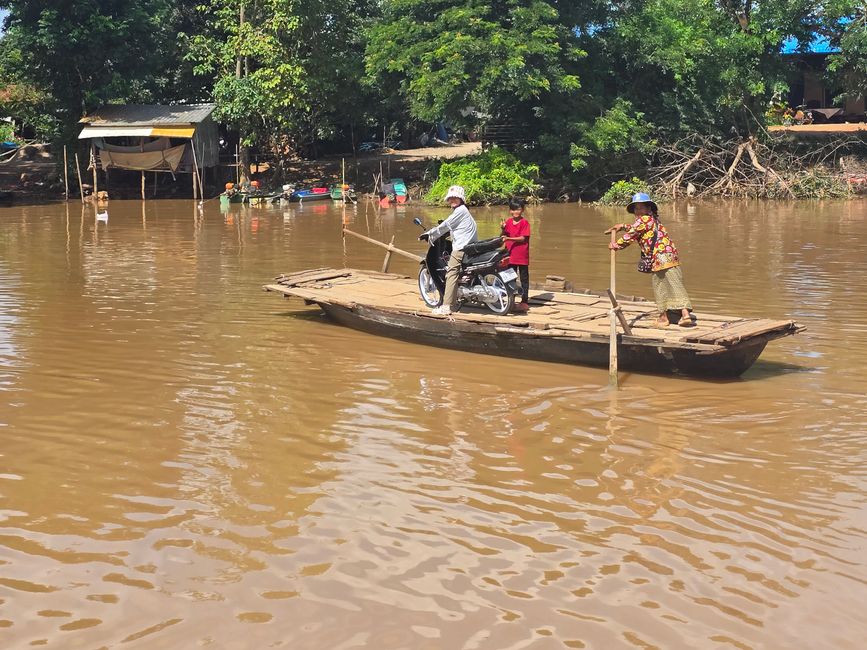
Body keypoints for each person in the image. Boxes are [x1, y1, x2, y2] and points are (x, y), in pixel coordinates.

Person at [607, 192, 696, 328]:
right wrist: (623, 226)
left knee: (660, 286)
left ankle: (663, 318)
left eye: (641, 208)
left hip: (659, 257)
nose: (638, 211)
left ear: (648, 209)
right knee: (675, 284)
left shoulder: (643, 221)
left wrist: (616, 245)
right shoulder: (652, 220)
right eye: (636, 208)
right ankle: (685, 315)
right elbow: (637, 229)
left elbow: (632, 234)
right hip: (671, 255)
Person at [419, 185, 478, 315]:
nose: (452, 200)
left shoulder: (460, 211)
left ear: (461, 199)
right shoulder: (463, 211)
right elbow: (453, 228)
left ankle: (446, 306)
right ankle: (457, 298)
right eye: (451, 198)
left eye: (455, 198)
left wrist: (429, 234)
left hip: (462, 248)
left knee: (451, 273)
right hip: (470, 246)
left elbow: (446, 225)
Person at [501, 198, 531, 312]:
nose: (516, 212)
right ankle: (511, 300)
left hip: (521, 255)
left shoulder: (524, 223)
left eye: (518, 209)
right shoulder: (508, 222)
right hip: (510, 255)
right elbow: (503, 236)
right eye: (514, 210)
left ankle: (524, 301)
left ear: (522, 210)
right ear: (510, 211)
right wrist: (502, 228)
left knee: (524, 279)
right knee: (510, 278)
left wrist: (508, 238)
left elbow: (523, 238)